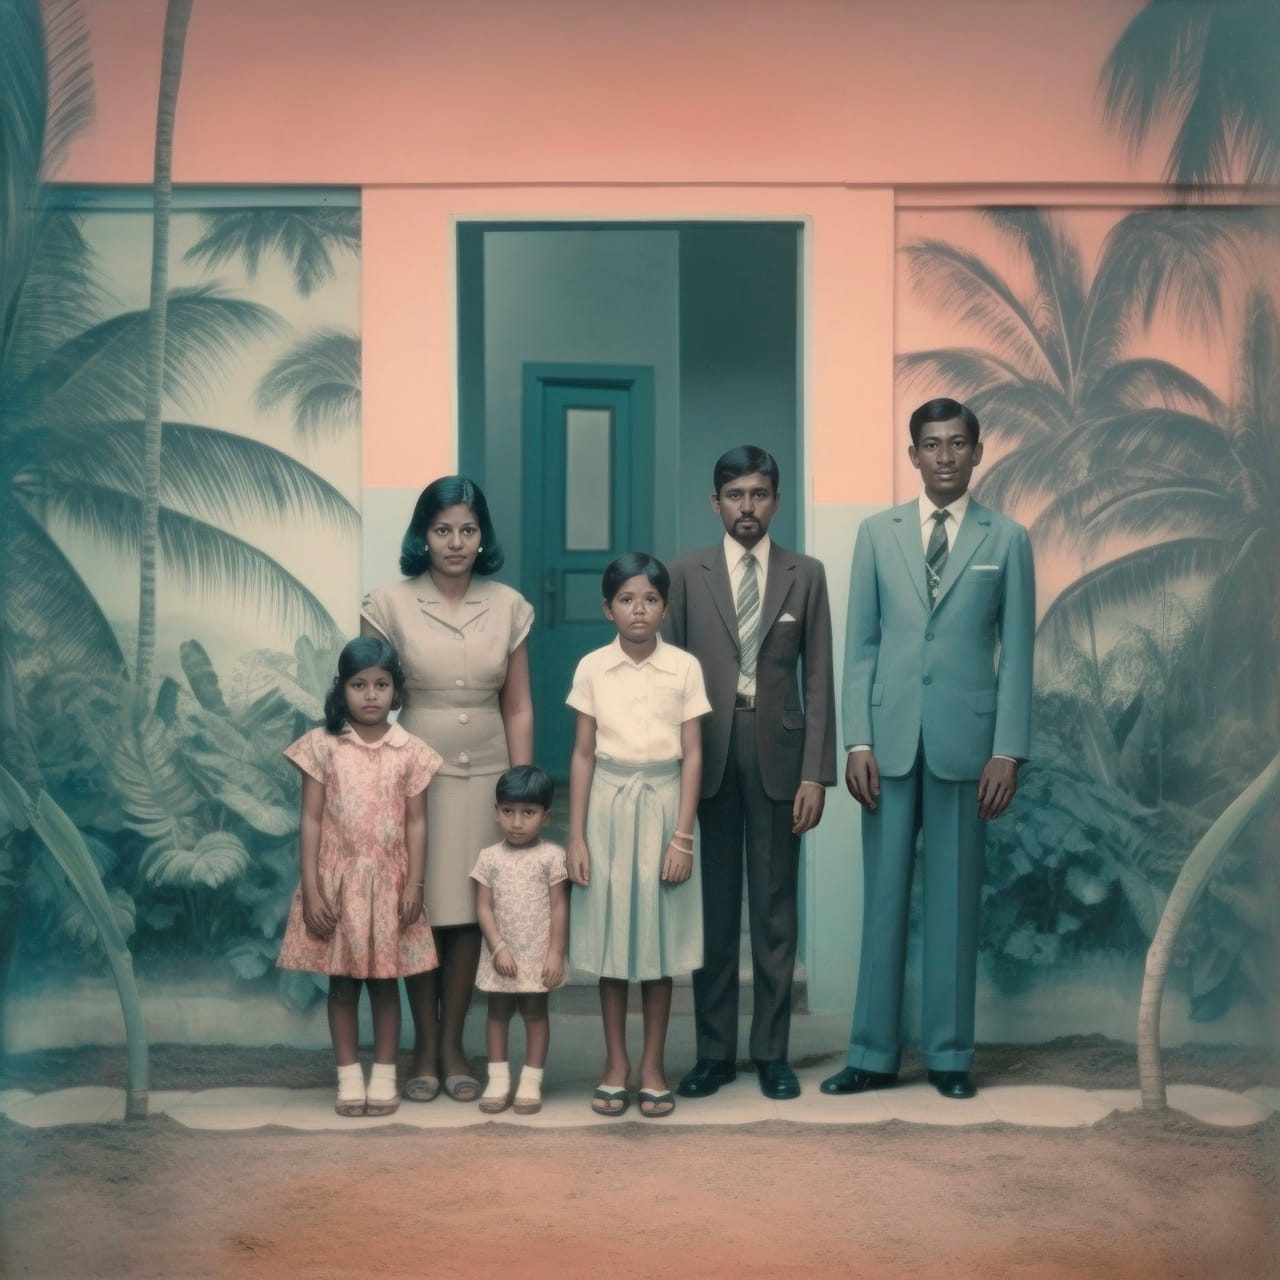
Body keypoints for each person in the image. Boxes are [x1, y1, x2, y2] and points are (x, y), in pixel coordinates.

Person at [822, 397, 1034, 1101]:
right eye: (931, 445)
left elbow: (1019, 655)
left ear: (977, 453)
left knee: (952, 902)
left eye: (958, 445)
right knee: (883, 900)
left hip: (967, 745)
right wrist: (856, 737)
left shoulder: (1006, 540)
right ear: (912, 454)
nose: (944, 457)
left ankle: (949, 1056)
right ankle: (871, 1054)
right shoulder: (876, 534)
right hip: (885, 742)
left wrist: (1007, 750)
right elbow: (860, 647)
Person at [667, 446, 836, 1102]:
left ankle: (771, 1053)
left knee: (773, 910)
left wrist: (816, 774)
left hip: (779, 756)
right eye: (734, 495)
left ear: (777, 501)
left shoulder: (806, 575)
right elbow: (672, 677)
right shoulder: (686, 574)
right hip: (705, 753)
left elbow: (817, 678)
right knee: (710, 913)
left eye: (759, 494)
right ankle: (712, 1053)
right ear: (715, 503)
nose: (747, 506)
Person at [361, 477, 534, 1103]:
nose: (455, 542)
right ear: (422, 535)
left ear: (481, 534)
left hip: (487, 776)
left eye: (467, 529)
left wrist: (522, 786)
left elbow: (517, 705)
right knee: (423, 913)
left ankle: (455, 1043)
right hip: (413, 778)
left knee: (469, 914)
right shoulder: (387, 602)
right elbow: (369, 698)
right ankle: (422, 1047)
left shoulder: (510, 604)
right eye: (442, 530)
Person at [566, 553, 711, 1118]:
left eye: (650, 599)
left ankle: (652, 1066)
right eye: (626, 599)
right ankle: (615, 1064)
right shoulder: (592, 668)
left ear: (665, 607)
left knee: (658, 943)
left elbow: (694, 754)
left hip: (664, 806)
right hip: (608, 805)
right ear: (608, 608)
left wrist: (682, 837)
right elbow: (582, 753)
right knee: (612, 944)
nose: (639, 610)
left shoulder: (684, 668)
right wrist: (575, 836)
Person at [277, 637, 443, 1117]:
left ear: (396, 690)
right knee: (343, 986)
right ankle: (349, 1080)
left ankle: (385, 1078)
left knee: (387, 985)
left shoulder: (411, 751)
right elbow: (310, 819)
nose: (371, 695)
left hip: (390, 887)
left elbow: (416, 822)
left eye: (381, 685)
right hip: (338, 884)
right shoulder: (322, 746)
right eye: (359, 684)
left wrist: (414, 885)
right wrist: (311, 889)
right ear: (341, 689)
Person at [471, 765, 569, 1117]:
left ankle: (530, 1082)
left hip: (537, 951)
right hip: (502, 952)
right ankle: (498, 1081)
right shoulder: (489, 858)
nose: (516, 822)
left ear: (545, 817)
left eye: (528, 813)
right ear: (497, 811)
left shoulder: (552, 857)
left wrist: (555, 954)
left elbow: (559, 906)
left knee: (534, 1013)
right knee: (497, 1013)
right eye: (508, 811)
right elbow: (483, 907)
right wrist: (498, 947)